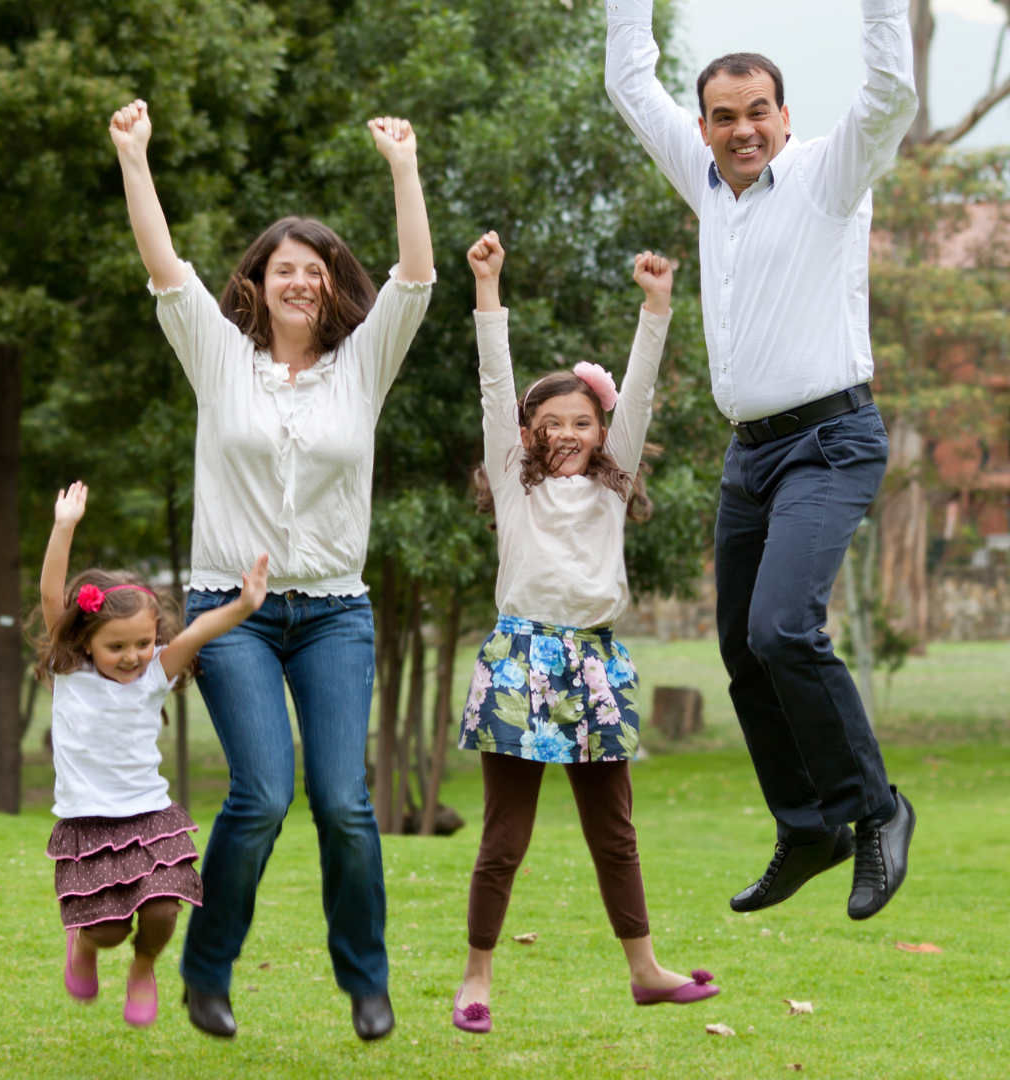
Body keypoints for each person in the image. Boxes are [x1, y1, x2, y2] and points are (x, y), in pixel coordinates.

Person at [109, 99, 433, 1041]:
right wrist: (135, 159)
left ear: (334, 287)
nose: (299, 281)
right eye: (282, 269)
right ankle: (208, 976)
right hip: (228, 611)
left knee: (343, 801)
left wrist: (402, 171)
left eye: (315, 270)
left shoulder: (362, 367)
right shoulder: (219, 356)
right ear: (258, 281)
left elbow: (414, 278)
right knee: (260, 794)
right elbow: (163, 269)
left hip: (334, 613)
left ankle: (365, 982)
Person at [604, 0, 917, 920]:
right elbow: (630, 82)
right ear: (705, 127)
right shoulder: (704, 182)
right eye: (725, 116)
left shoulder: (829, 174)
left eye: (759, 112)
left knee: (784, 628)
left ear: (785, 116)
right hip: (753, 459)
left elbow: (892, 89)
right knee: (742, 647)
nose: (743, 130)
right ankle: (808, 825)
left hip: (831, 442)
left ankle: (877, 813)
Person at [450, 230, 719, 1035]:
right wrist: (488, 289)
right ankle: (477, 979)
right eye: (549, 422)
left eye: (581, 421)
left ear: (602, 433)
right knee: (505, 837)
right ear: (527, 432)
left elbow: (636, 392)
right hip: (519, 660)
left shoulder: (612, 486)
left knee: (616, 832)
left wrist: (656, 306)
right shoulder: (516, 483)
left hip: (594, 666)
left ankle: (645, 970)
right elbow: (495, 380)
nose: (566, 432)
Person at [39, 481, 268, 1028]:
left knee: (165, 906)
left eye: (141, 644)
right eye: (116, 647)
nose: (131, 657)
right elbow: (51, 595)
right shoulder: (70, 674)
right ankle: (89, 948)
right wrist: (64, 525)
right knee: (108, 927)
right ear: (87, 642)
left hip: (148, 816)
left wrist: (244, 605)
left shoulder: (153, 675)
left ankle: (145, 969)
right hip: (89, 824)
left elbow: (197, 633)